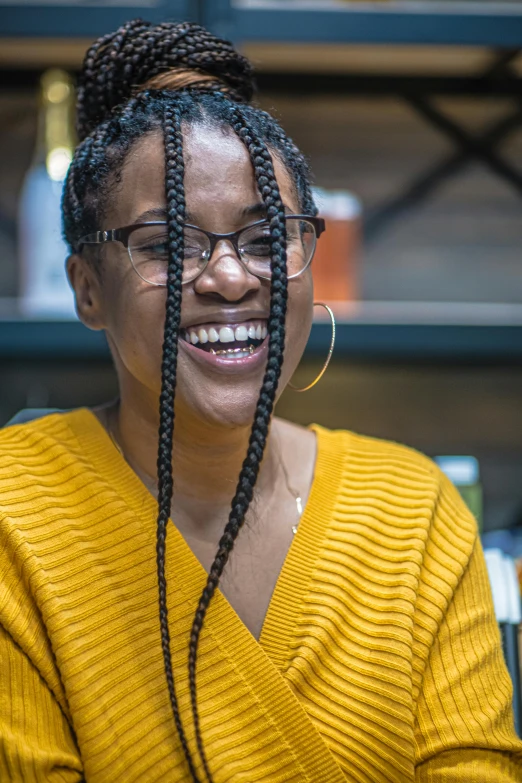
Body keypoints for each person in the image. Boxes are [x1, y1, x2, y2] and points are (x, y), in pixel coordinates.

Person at [0, 19, 521, 783]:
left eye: (265, 237)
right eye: (169, 242)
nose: (231, 277)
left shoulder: (414, 512)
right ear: (86, 289)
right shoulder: (15, 513)